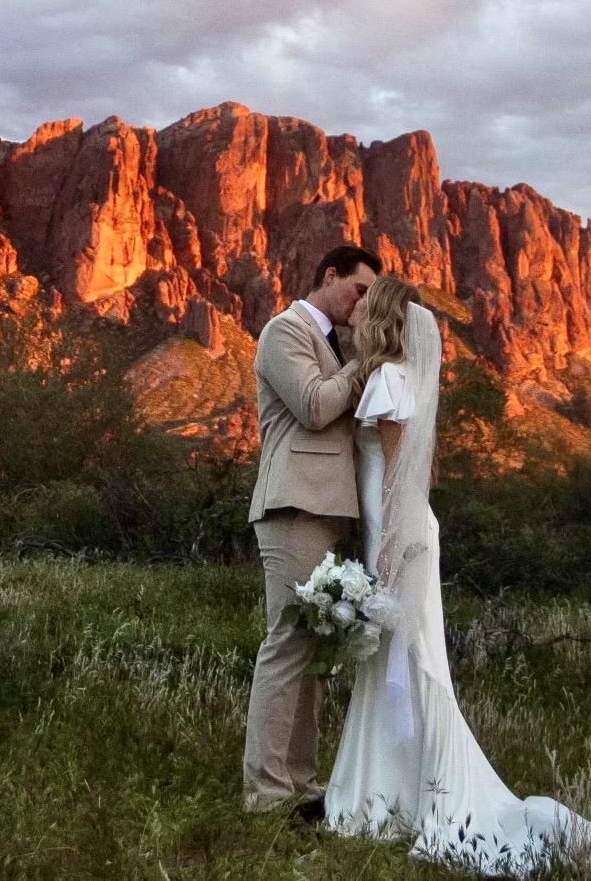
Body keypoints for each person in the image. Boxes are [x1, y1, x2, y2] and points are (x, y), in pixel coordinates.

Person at [325, 275, 591, 875]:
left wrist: (384, 557)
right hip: (407, 531)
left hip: (398, 535)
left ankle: (397, 798)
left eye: (364, 303)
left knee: (410, 664)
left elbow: (390, 481)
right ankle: (396, 791)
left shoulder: (387, 379)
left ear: (380, 316)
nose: (354, 311)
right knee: (401, 666)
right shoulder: (404, 378)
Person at [243, 243, 381, 817]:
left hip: (324, 511)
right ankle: (267, 794)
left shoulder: (329, 340)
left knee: (313, 650)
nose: (363, 303)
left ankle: (300, 784)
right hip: (293, 506)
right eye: (360, 290)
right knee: (286, 644)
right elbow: (315, 406)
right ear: (330, 275)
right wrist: (364, 363)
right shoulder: (285, 330)